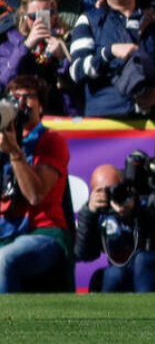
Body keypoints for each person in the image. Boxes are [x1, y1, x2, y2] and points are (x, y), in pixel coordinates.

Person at [74, 163, 155, 292]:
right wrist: (89, 213)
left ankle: (148, 312)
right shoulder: (98, 212)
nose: (112, 195)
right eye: (102, 191)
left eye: (115, 188)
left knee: (143, 260)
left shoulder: (149, 197)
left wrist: (136, 212)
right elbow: (84, 253)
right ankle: (108, 316)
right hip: (127, 274)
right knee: (112, 275)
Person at [0, 76, 69, 293]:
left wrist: (14, 153)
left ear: (41, 104)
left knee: (4, 260)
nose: (20, 103)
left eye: (27, 97)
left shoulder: (51, 141)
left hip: (43, 232)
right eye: (14, 97)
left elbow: (35, 195)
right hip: (6, 231)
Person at [0, 0, 74, 116]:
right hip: (24, 118)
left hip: (62, 118)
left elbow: (79, 84)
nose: (41, 21)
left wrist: (62, 58)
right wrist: (26, 46)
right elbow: (3, 83)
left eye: (49, 14)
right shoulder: (9, 45)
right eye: (34, 16)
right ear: (23, 17)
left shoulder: (69, 40)